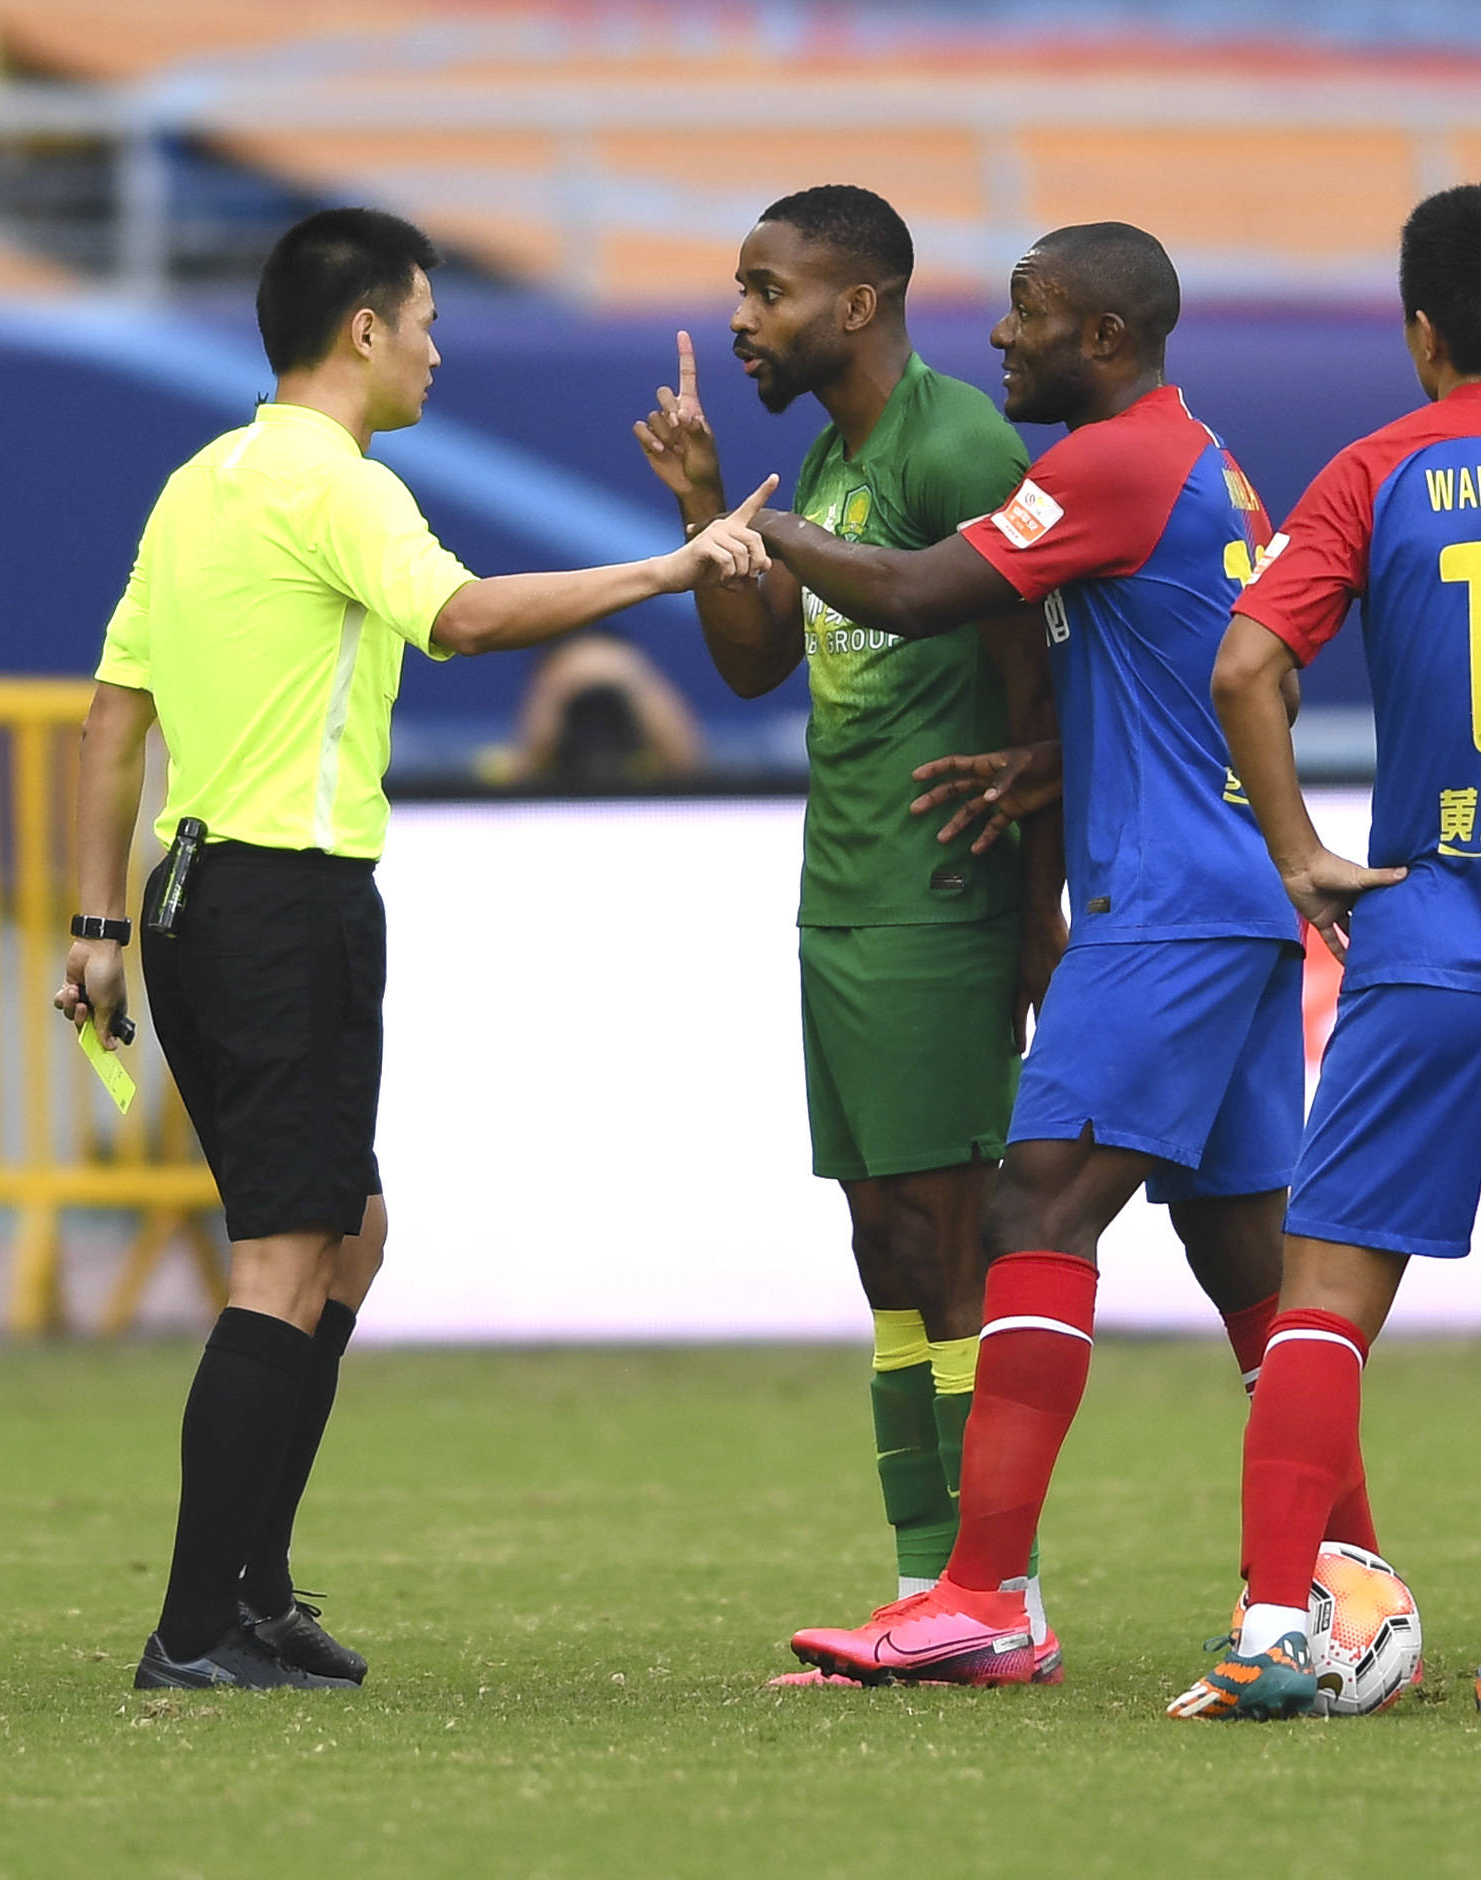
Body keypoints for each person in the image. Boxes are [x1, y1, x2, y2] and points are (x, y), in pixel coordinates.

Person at [57, 207, 775, 1692]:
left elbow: (112, 717)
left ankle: (251, 1595)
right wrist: (671, 568)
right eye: (427, 321)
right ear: (366, 328)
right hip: (283, 904)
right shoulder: (339, 483)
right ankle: (190, 1631)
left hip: (198, 904)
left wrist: (98, 926)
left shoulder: (200, 483)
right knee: (283, 1257)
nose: (438, 350)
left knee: (348, 1236)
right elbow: (463, 617)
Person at [763, 221, 1376, 1686]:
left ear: (1103, 337)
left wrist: (758, 534)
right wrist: (1065, 759)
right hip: (1230, 897)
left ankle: (986, 1596)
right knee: (1250, 1266)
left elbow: (912, 593)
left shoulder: (1108, 464)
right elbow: (1228, 670)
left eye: (1027, 311)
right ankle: (1356, 1588)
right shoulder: (1204, 459)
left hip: (1162, 910)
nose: (1001, 335)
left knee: (1033, 1206)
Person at [1171, 184, 1481, 1722]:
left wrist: (1300, 854)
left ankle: (1279, 1623)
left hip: (1427, 943)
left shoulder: (1378, 468)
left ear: (1421, 328)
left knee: (1326, 1296)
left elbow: (1246, 665)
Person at [630, 184, 1065, 1681]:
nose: (743, 318)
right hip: (844, 892)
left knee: (949, 1239)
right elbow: (756, 667)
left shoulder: (957, 444)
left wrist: (1034, 910)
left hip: (944, 894)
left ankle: (997, 1602)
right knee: (884, 1242)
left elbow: (1040, 676)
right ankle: (917, 1585)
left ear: (858, 302)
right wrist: (704, 505)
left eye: (769, 291)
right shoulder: (825, 458)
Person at [509, 632, 705, 786]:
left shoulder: (651, 768)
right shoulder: (505, 769)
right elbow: (519, 781)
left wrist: (631, 680)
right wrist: (556, 690)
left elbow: (691, 768)